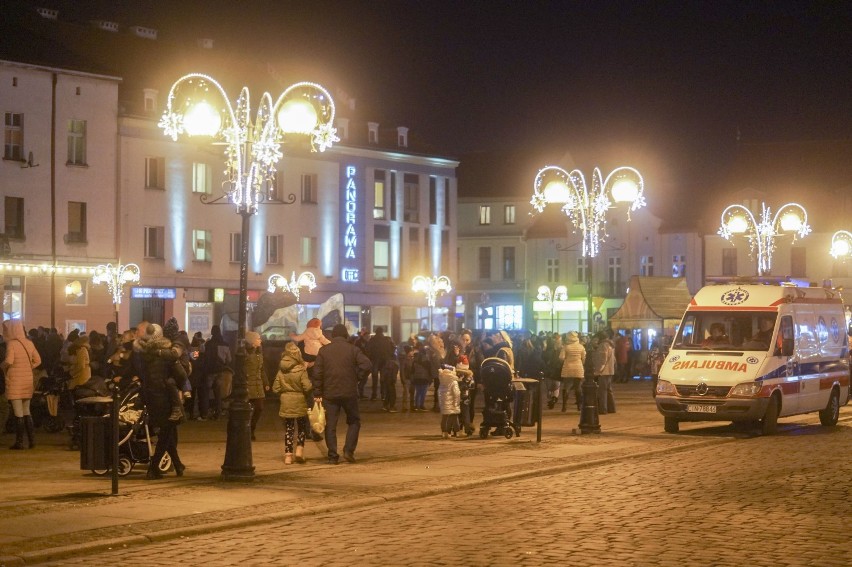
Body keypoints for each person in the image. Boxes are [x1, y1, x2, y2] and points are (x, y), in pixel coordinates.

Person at [313, 324, 372, 465]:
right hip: (349, 392)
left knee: (330, 425)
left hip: (330, 393)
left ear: (332, 335)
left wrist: (317, 392)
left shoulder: (324, 351)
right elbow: (367, 364)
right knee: (354, 421)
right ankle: (348, 450)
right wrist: (357, 377)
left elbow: (317, 373)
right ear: (345, 335)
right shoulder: (353, 349)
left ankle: (333, 455)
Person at [133, 323, 186, 479]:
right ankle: (153, 468)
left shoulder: (144, 354)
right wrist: (173, 383)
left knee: (165, 432)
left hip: (150, 397)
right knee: (166, 434)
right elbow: (181, 375)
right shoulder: (167, 354)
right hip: (166, 398)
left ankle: (178, 465)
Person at [2, 320, 41, 450]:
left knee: (18, 412)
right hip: (27, 381)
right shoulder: (29, 343)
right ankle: (32, 440)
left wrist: (2, 367)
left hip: (15, 381)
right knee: (26, 410)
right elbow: (38, 360)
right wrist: (29, 366)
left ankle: (19, 442)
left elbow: (9, 361)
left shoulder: (11, 344)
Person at [272, 342, 313, 464]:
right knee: (301, 427)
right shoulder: (301, 370)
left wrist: (285, 392)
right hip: (300, 400)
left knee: (289, 429)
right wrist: (310, 385)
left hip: (286, 402)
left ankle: (288, 456)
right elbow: (307, 387)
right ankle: (299, 450)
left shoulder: (281, 371)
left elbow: (275, 388)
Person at [202, 325, 232, 420]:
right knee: (218, 392)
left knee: (206, 392)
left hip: (209, 371)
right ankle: (218, 413)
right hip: (220, 371)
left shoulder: (208, 344)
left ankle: (205, 413)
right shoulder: (225, 345)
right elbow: (229, 359)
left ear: (212, 332)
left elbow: (203, 356)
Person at [244, 331, 270, 441]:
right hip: (248, 384)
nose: (260, 340)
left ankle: (251, 428)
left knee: (259, 408)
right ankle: (247, 431)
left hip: (258, 384)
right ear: (252, 341)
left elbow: (262, 369)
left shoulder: (259, 351)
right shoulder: (245, 352)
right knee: (247, 411)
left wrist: (266, 382)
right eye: (258, 338)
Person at [365, 327, 396, 402]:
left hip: (375, 360)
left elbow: (367, 349)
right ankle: (383, 394)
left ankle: (374, 394)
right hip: (384, 361)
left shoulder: (372, 340)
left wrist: (370, 357)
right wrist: (389, 356)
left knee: (374, 379)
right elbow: (393, 348)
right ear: (382, 332)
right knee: (383, 379)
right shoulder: (387, 340)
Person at [559, 331, 586, 412]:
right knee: (578, 387)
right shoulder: (581, 347)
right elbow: (584, 357)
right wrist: (581, 363)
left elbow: (561, 357)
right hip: (578, 368)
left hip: (568, 367)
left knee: (566, 387)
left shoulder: (566, 347)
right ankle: (579, 406)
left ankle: (564, 406)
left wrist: (565, 361)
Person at [593, 333, 615, 415]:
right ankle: (612, 408)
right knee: (609, 390)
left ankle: (603, 409)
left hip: (604, 371)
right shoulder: (611, 345)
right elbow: (614, 359)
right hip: (610, 370)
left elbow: (602, 359)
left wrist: (598, 371)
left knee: (602, 391)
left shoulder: (603, 345)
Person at [437, 367, 461, 438]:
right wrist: (457, 402)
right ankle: (457, 431)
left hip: (444, 402)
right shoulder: (453, 381)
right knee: (454, 416)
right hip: (452, 402)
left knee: (445, 417)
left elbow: (439, 392)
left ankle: (444, 432)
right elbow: (456, 393)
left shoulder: (442, 381)